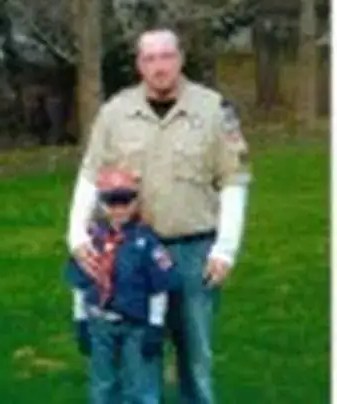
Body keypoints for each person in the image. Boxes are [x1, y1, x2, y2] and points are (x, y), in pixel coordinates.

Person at [66, 28, 252, 404]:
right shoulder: (115, 113)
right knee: (137, 356)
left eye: (166, 56)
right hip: (129, 253)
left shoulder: (215, 111)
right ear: (139, 64)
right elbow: (90, 174)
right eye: (149, 58)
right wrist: (77, 235)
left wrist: (226, 249)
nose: (159, 66)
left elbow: (234, 181)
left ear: (180, 59)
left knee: (195, 356)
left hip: (193, 253)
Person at [66, 166, 180, 404]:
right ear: (100, 203)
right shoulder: (91, 241)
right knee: (102, 384)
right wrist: (80, 320)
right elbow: (80, 283)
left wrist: (156, 325)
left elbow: (159, 288)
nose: (119, 209)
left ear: (135, 202)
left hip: (136, 325)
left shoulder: (146, 242)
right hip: (99, 322)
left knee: (139, 384)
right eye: (111, 202)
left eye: (125, 201)